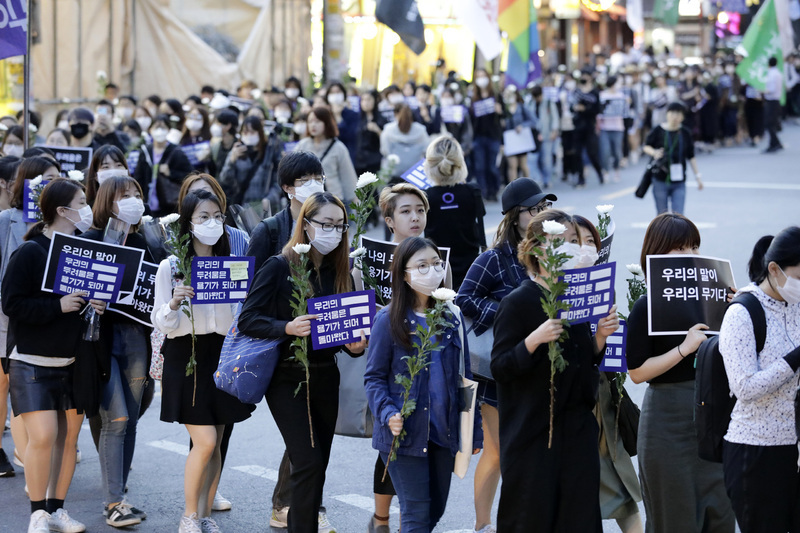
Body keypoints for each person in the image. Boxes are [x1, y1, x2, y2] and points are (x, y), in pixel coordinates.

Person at [238, 192, 367, 533]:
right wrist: (287, 327)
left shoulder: (343, 272)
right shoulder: (280, 266)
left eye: (340, 225)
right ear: (306, 225)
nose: (334, 231)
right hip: (286, 378)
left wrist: (354, 346)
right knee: (307, 461)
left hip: (326, 376)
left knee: (316, 466)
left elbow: (345, 335)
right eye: (326, 224)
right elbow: (248, 318)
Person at [491, 209, 619, 532]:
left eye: (574, 241)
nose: (571, 248)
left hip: (576, 436)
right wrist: (532, 341)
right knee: (531, 518)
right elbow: (501, 367)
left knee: (578, 519)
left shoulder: (575, 299)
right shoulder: (518, 302)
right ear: (536, 249)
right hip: (533, 438)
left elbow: (582, 370)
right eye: (561, 242)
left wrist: (600, 340)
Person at [3, 178, 104, 533]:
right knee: (44, 436)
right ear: (62, 210)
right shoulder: (30, 251)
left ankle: (57, 508)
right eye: (81, 201)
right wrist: (56, 306)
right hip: (31, 360)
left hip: (73, 360)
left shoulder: (82, 250)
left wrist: (96, 304)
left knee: (65, 441)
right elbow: (11, 303)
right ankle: (37, 512)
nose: (86, 207)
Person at [151, 189, 254, 533]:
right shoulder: (171, 266)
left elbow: (242, 317)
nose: (212, 223)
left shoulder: (233, 265)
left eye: (218, 217)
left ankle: (206, 514)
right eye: (203, 217)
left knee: (219, 438)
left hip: (223, 354)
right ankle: (189, 515)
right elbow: (162, 322)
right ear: (188, 223)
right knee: (205, 441)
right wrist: (175, 303)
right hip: (187, 356)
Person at [456, 178, 556, 533]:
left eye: (544, 207)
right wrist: (504, 316)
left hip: (543, 366)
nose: (541, 214)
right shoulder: (494, 258)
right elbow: (463, 300)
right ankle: (482, 524)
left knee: (531, 450)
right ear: (516, 216)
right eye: (534, 209)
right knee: (499, 450)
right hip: (500, 367)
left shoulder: (553, 252)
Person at [626, 213, 736, 533]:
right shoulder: (646, 305)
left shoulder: (716, 300)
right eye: (679, 249)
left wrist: (737, 307)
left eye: (694, 247)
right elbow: (636, 372)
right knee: (674, 515)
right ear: (656, 254)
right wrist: (684, 349)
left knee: (721, 511)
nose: (690, 255)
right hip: (666, 421)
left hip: (712, 414)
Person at [365, 236, 482, 533]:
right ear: (404, 274)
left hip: (442, 434)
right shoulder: (388, 320)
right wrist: (388, 412)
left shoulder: (451, 316)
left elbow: (465, 377)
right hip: (404, 434)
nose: (431, 270)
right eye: (422, 265)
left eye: (436, 264)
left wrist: (474, 431)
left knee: (435, 510)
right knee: (416, 516)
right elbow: (374, 377)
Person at [81, 176, 151, 527]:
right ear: (108, 200)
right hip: (101, 341)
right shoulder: (89, 240)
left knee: (132, 420)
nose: (133, 200)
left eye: (137, 194)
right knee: (117, 418)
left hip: (137, 337)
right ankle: (112, 502)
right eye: (125, 195)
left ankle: (119, 495)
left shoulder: (144, 240)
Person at [720, 227, 800, 532]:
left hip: (792, 447)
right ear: (774, 269)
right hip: (755, 452)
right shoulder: (742, 313)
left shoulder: (795, 306)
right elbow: (744, 387)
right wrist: (795, 359)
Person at [573, 215, 643, 533]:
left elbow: (610, 347)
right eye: (575, 242)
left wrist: (609, 338)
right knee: (583, 488)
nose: (584, 248)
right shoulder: (546, 290)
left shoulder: (602, 286)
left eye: (590, 242)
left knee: (620, 481)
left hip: (602, 394)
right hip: (569, 403)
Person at [423, 135, 486, 290]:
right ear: (460, 163)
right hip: (471, 270)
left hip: (438, 271)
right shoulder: (473, 191)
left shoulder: (426, 197)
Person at [247, 151, 324, 272]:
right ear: (287, 187)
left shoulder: (331, 224)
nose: (314, 185)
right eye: (305, 180)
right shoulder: (268, 230)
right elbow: (252, 278)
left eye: (318, 179)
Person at [642, 102, 703, 215]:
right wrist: (654, 152)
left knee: (679, 216)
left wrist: (698, 177)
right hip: (660, 178)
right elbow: (646, 146)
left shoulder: (685, 132)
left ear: (683, 117)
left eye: (679, 114)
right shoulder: (658, 130)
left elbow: (691, 156)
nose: (675, 117)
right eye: (672, 113)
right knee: (662, 216)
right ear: (667, 114)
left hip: (679, 180)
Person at [133, 114, 194, 217]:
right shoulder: (145, 151)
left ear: (169, 130)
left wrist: (171, 173)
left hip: (168, 205)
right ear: (150, 130)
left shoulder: (176, 152)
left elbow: (190, 175)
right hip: (147, 204)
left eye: (163, 127)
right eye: (156, 127)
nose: (159, 131)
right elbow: (139, 177)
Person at [296, 107, 357, 206]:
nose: (313, 125)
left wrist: (354, 203)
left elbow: (348, 177)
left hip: (333, 200)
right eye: (310, 121)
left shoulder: (338, 147)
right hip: (308, 201)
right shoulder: (302, 146)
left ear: (327, 123)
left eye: (318, 121)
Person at [177, 173, 250, 256]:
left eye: (207, 193)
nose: (202, 199)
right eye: (193, 195)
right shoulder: (175, 242)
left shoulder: (241, 238)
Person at [469, 69, 504, 201]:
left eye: (483, 76)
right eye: (478, 77)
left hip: (493, 136)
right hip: (478, 136)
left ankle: (493, 190)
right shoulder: (473, 97)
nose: (481, 79)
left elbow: (505, 115)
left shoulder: (496, 95)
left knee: (492, 166)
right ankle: (482, 191)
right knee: (480, 167)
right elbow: (470, 118)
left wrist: (499, 111)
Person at [379, 104, 429, 180]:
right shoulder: (421, 130)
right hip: (415, 174)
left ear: (395, 114)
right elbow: (426, 150)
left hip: (394, 173)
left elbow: (385, 151)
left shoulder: (388, 129)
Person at [527, 85, 559, 189]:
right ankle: (538, 179)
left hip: (547, 135)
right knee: (533, 159)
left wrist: (554, 131)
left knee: (546, 159)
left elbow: (555, 117)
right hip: (534, 136)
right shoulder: (530, 103)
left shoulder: (549, 103)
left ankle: (547, 180)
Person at [598, 76, 629, 183]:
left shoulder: (621, 96)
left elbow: (625, 111)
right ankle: (605, 171)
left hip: (617, 127)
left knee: (617, 151)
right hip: (604, 128)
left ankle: (616, 170)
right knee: (605, 151)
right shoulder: (603, 95)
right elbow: (599, 112)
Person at [501, 87, 534, 182]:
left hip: (521, 139)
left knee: (523, 165)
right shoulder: (504, 109)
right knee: (512, 165)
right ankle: (513, 189)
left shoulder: (521, 107)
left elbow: (533, 120)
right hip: (509, 140)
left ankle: (528, 186)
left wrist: (522, 126)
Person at [354, 90, 387, 177]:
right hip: (357, 161)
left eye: (369, 100)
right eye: (363, 100)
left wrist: (378, 130)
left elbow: (387, 140)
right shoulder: (356, 118)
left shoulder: (381, 119)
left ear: (375, 101)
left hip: (374, 161)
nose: (366, 103)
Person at [180, 107, 215, 176]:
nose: (194, 120)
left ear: (204, 120)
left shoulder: (210, 141)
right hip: (182, 177)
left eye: (198, 117)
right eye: (191, 116)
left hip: (201, 177)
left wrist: (209, 157)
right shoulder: (180, 139)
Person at [209, 110, 239, 180]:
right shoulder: (215, 146)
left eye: (218, 123)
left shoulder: (238, 147)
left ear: (228, 126)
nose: (215, 127)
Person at [763, 56, 784, 153]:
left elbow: (771, 89)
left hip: (772, 101)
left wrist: (762, 91)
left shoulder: (772, 74)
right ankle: (776, 143)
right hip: (776, 101)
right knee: (771, 123)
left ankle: (774, 144)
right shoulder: (778, 73)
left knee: (769, 123)